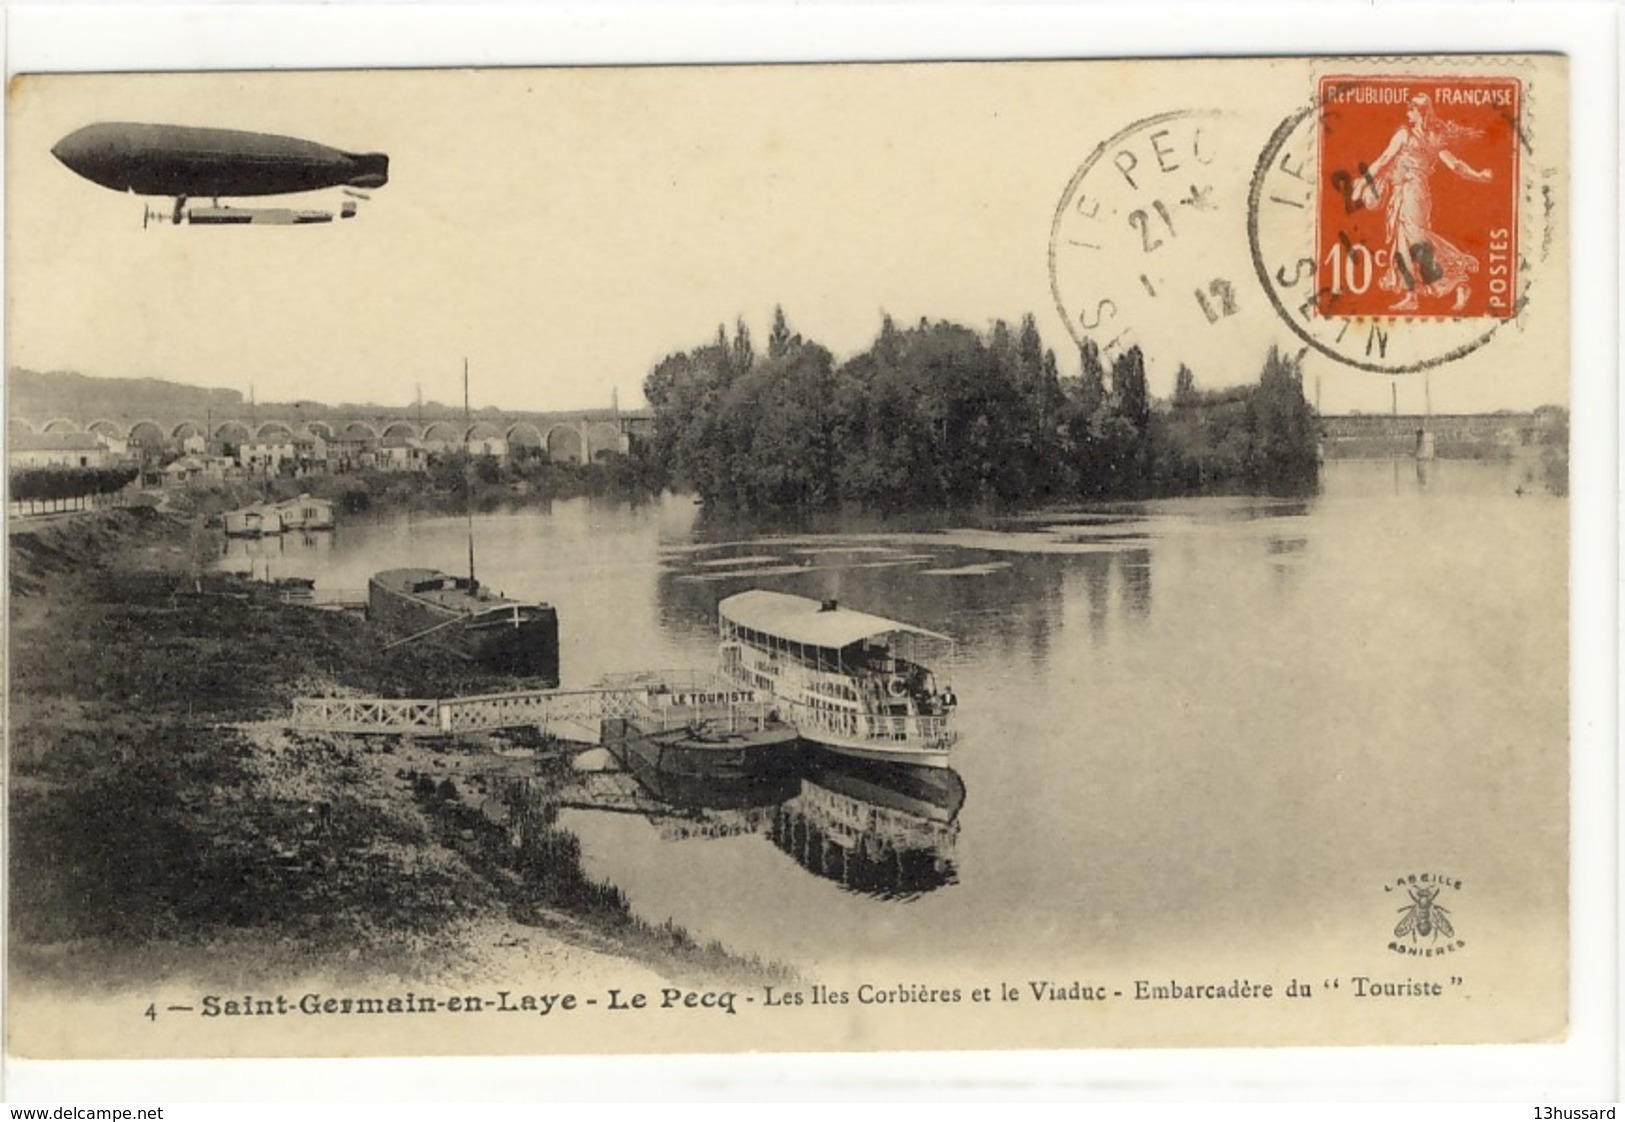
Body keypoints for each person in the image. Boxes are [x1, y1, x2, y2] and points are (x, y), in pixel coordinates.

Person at [1354, 94, 1493, 312]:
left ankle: (1458, 279)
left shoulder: (1422, 136)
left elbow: (1455, 165)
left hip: (1415, 193)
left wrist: (1478, 175)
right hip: (1401, 193)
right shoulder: (1408, 134)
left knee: (1418, 240)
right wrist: (1364, 181)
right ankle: (1412, 296)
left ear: (1420, 112)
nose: (1408, 114)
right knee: (1403, 243)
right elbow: (1384, 160)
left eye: (1411, 110)